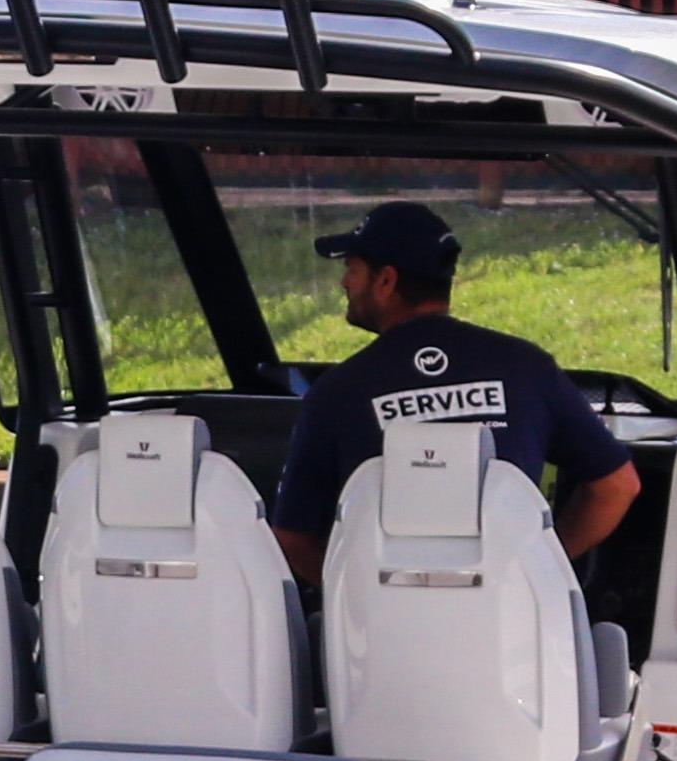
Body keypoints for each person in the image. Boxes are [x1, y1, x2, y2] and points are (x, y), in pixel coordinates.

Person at [266, 200, 643, 589]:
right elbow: (618, 486)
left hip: (385, 639)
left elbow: (291, 537)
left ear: (386, 281)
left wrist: (361, 597)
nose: (344, 282)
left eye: (352, 269)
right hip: (512, 635)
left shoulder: (338, 393)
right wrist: (534, 570)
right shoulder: (527, 368)